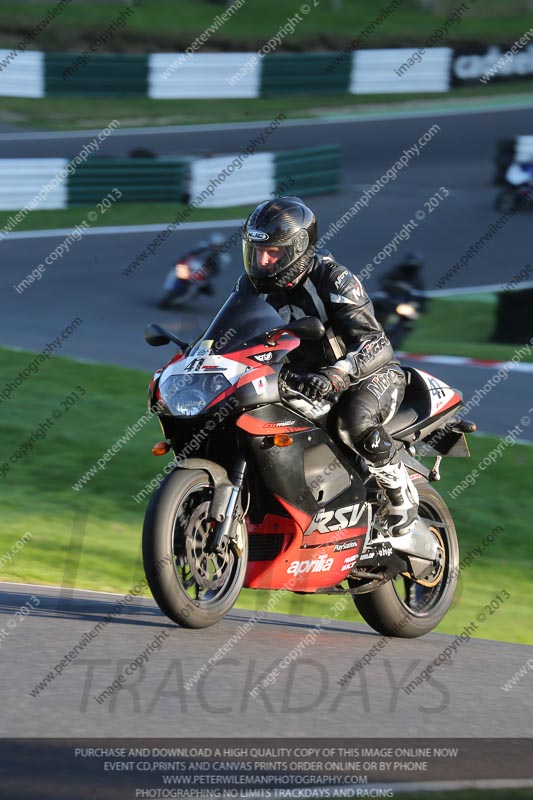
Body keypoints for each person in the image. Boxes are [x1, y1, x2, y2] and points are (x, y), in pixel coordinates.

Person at [236, 196, 419, 537]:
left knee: (353, 422)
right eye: (256, 252)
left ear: (297, 249)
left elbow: (376, 342)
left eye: (272, 253)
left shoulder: (334, 279)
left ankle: (401, 498)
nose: (262, 261)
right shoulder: (250, 286)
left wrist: (339, 373)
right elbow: (230, 334)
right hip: (300, 380)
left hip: (366, 376)